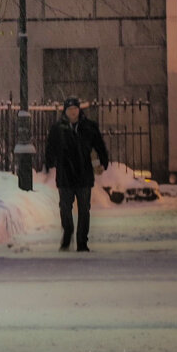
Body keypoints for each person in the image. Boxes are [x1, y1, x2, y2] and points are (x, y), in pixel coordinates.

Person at [45, 96, 110, 252]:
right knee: (65, 208)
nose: (73, 112)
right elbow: (50, 148)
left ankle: (82, 241)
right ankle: (68, 231)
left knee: (84, 209)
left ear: (79, 110)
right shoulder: (57, 129)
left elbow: (100, 145)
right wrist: (50, 163)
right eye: (70, 110)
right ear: (65, 112)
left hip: (83, 174)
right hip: (65, 175)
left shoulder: (89, 127)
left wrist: (103, 161)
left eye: (75, 109)